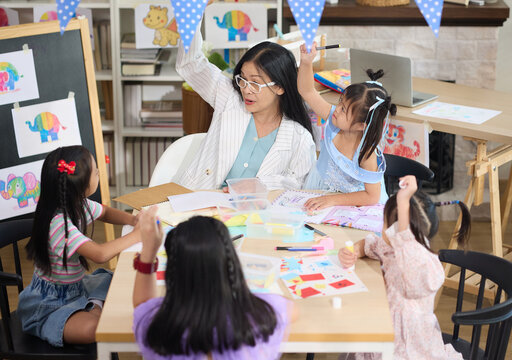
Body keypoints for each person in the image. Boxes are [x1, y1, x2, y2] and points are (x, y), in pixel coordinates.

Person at [175, 3, 316, 191]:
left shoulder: (300, 138)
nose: (246, 90)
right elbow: (190, 63)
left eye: (256, 83)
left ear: (280, 87)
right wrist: (193, 12)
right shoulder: (229, 98)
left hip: (254, 215)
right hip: (202, 202)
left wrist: (259, 185)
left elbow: (297, 187)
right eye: (243, 79)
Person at [18, 146, 141, 347]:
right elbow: (100, 254)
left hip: (76, 287)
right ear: (81, 184)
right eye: (96, 171)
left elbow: (106, 212)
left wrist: (134, 219)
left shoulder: (78, 203)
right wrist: (137, 235)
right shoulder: (59, 224)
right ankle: (93, 309)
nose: (100, 172)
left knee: (120, 282)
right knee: (95, 329)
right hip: (49, 304)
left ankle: (92, 307)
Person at [132, 208, 296, 359]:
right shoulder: (269, 311)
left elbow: (142, 303)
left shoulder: (154, 325)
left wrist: (149, 251)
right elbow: (292, 309)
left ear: (173, 270)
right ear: (231, 261)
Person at [338, 175, 471, 360]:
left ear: (397, 230)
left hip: (412, 349)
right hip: (385, 333)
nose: (382, 229)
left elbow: (408, 250)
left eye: (385, 224)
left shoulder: (425, 263)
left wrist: (402, 202)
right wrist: (354, 251)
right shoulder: (392, 246)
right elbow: (372, 244)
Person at [298, 43, 395, 211]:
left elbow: (372, 196)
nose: (337, 110)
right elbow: (307, 92)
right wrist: (306, 62)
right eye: (340, 103)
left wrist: (332, 200)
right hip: (319, 188)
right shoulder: (333, 118)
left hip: (355, 204)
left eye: (344, 110)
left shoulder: (367, 153)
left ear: (360, 126)